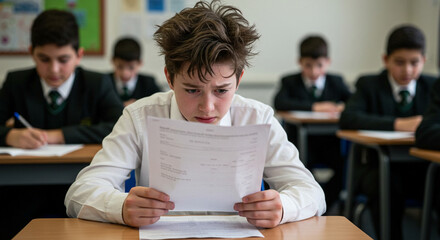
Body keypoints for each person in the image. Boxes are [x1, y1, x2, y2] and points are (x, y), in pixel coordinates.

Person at [65, 0, 326, 229]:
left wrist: (284, 207)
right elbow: (79, 193)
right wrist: (120, 206)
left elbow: (313, 193)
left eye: (222, 90)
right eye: (192, 90)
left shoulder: (258, 119)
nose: (208, 107)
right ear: (169, 78)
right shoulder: (140, 116)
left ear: (239, 79)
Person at [0, 9, 123, 239]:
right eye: (44, 59)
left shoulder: (97, 84)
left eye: (63, 60)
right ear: (31, 53)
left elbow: (119, 125)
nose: (54, 69)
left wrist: (57, 135)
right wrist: (10, 136)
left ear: (79, 55)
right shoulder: (16, 82)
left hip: (81, 188)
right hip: (21, 194)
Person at [339, 25, 436, 239]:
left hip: (422, 168)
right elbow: (348, 118)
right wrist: (399, 124)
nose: (407, 70)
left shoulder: (433, 86)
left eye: (414, 63)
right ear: (385, 59)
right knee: (386, 182)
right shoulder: (369, 85)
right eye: (399, 62)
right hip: (376, 167)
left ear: (424, 60)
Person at [273, 35, 351, 212]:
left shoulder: (336, 81)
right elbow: (280, 103)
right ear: (300, 62)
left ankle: (324, 204)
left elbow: (353, 103)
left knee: (346, 169)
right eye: (308, 65)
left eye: (320, 65)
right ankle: (310, 201)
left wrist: (341, 106)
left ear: (328, 62)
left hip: (330, 145)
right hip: (301, 145)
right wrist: (316, 107)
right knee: (302, 171)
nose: (314, 71)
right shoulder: (290, 81)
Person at [109, 37, 162, 107]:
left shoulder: (149, 83)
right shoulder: (104, 83)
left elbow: (161, 107)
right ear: (113, 61)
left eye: (131, 68)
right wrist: (121, 106)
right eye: (120, 66)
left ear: (140, 63)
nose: (125, 73)